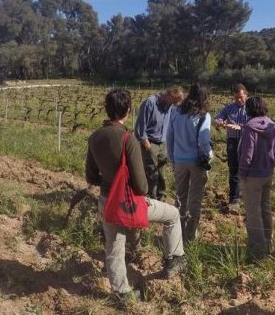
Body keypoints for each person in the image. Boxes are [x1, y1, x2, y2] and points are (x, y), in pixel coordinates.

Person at [85, 89, 186, 307]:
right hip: (128, 202)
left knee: (113, 249)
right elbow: (141, 187)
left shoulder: (94, 137)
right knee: (172, 215)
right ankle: (174, 259)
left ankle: (123, 294)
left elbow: (91, 176)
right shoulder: (127, 139)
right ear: (128, 111)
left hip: (107, 202)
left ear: (106, 109)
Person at [166, 83, 212, 243]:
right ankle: (190, 236)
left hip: (179, 160)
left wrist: (172, 158)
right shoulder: (203, 115)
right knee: (195, 199)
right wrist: (209, 155)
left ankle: (176, 233)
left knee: (180, 198)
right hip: (196, 162)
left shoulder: (176, 111)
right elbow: (204, 142)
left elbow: (170, 137)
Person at [237, 96, 275, 258]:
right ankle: (267, 241)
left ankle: (257, 247)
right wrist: (271, 162)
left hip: (253, 175)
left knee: (253, 210)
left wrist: (242, 173)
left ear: (249, 109)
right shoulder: (271, 125)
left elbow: (247, 154)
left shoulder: (249, 127)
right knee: (265, 207)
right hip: (268, 173)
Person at [134, 86, 185, 201]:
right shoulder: (150, 103)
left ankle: (161, 197)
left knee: (162, 173)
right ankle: (151, 199)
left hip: (163, 143)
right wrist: (147, 145)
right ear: (168, 95)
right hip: (149, 142)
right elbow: (140, 128)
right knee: (152, 173)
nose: (174, 105)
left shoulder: (170, 106)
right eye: (174, 101)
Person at [214, 84, 248, 205]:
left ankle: (247, 196)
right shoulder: (229, 107)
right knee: (234, 170)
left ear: (246, 95)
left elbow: (255, 124)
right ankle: (234, 199)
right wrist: (219, 122)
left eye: (241, 97)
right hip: (232, 142)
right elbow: (218, 118)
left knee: (248, 170)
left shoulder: (251, 108)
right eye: (236, 98)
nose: (239, 100)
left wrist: (241, 127)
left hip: (248, 142)